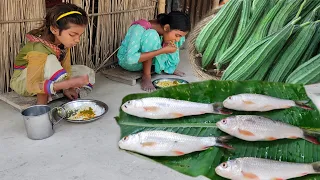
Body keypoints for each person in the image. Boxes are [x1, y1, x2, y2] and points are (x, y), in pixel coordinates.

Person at [10, 3, 95, 105]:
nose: (77, 40)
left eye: (80, 35)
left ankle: (60, 87)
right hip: (26, 82)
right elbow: (34, 83)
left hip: (48, 73)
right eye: (73, 35)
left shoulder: (62, 43)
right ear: (54, 29)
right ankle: (52, 91)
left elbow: (66, 67)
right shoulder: (37, 48)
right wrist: (42, 106)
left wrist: (67, 88)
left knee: (86, 71)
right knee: (49, 60)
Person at [117, 11, 191, 92]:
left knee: (175, 39)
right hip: (130, 62)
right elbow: (130, 59)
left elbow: (175, 38)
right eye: (177, 35)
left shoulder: (164, 28)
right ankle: (146, 76)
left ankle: (169, 67)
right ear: (166, 27)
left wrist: (165, 48)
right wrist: (162, 51)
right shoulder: (138, 28)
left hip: (149, 60)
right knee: (152, 35)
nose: (177, 39)